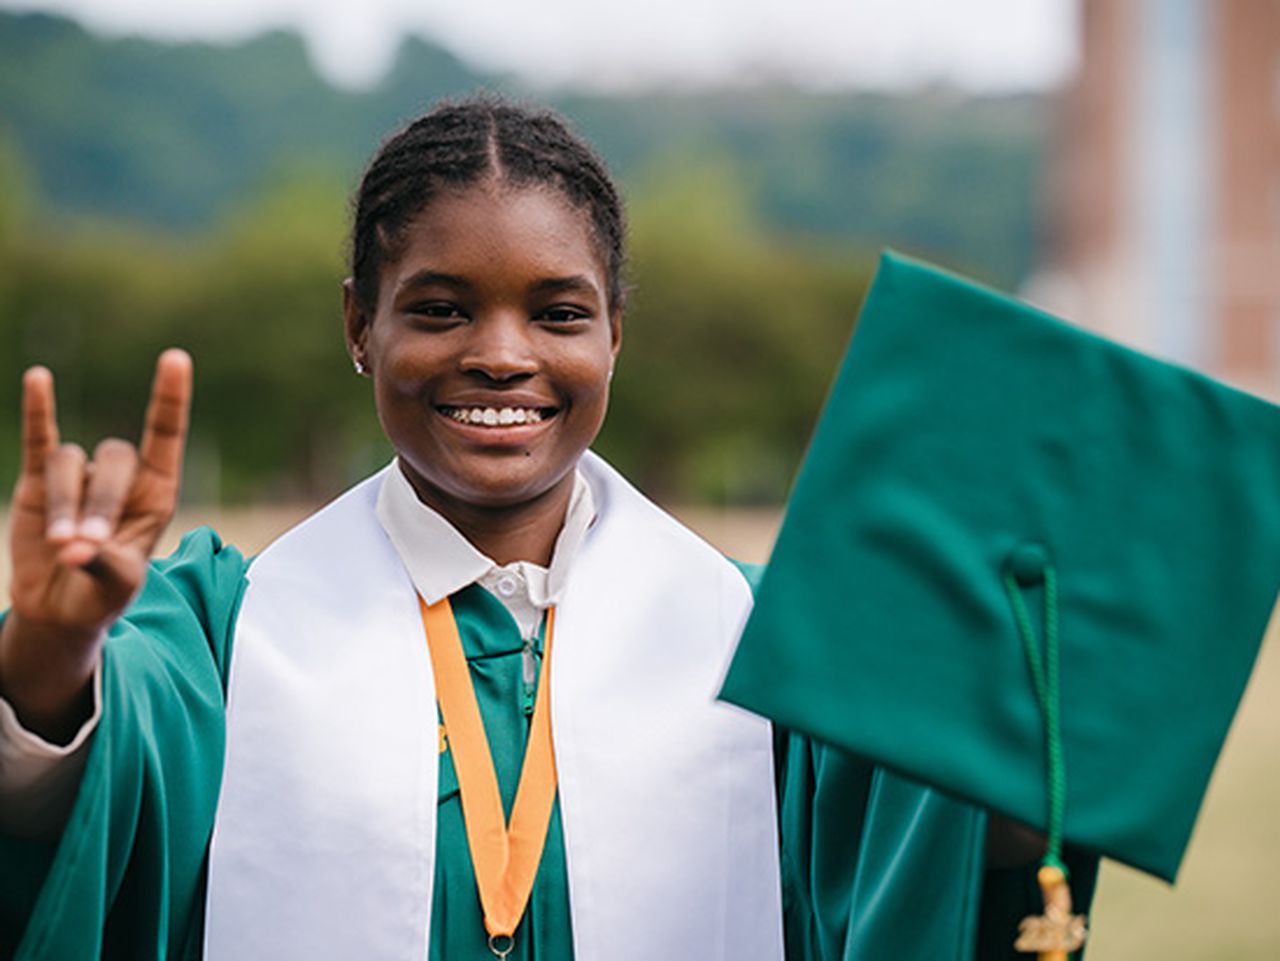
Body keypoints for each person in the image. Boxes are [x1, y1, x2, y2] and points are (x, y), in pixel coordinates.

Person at [0, 96, 1084, 961]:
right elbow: (86, 828)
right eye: (439, 308)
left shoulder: (760, 637)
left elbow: (926, 875)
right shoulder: (224, 629)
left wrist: (1019, 741)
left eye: (558, 313)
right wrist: (50, 651)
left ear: (614, 332)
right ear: (357, 327)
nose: (502, 355)